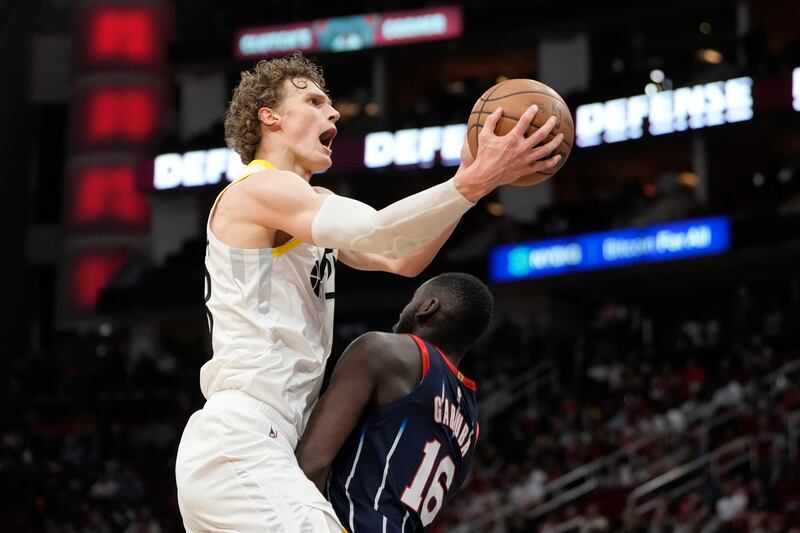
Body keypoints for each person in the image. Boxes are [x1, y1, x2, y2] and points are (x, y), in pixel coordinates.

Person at [175, 51, 562, 532]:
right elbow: (379, 231)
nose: (333, 112)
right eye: (314, 101)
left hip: (266, 444)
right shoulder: (258, 190)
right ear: (269, 117)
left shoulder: (312, 202)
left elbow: (403, 258)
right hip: (244, 437)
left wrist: (471, 185)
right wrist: (473, 182)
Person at [296, 272, 492, 531]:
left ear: (427, 307)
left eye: (413, 299)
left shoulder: (384, 351)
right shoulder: (471, 423)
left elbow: (311, 463)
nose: (405, 308)